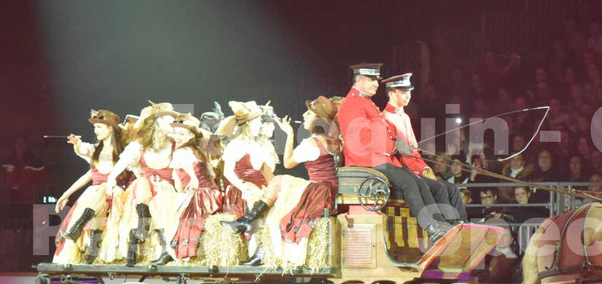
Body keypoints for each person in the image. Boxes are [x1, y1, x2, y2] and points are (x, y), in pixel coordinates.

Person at [337, 63, 455, 242]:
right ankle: (430, 227)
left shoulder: (364, 101)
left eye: (376, 80)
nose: (377, 84)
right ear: (358, 80)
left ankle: (439, 224)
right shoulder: (353, 103)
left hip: (380, 158)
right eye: (372, 80)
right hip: (366, 160)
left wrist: (395, 143)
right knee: (409, 184)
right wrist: (394, 146)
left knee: (419, 183)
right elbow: (364, 137)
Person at [223, 96, 339, 267]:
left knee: (279, 204)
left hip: (319, 191)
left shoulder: (311, 145)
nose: (304, 116)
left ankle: (249, 227)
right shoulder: (334, 141)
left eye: (309, 113)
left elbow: (288, 163)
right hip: (328, 188)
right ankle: (248, 223)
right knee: (279, 182)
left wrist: (289, 134)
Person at [380, 72, 468, 223]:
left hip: (417, 168)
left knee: (452, 189)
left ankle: (462, 224)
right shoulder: (386, 118)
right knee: (440, 188)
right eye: (403, 92)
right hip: (405, 171)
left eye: (409, 92)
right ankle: (448, 226)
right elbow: (400, 155)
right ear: (391, 93)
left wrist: (426, 168)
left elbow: (414, 151)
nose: (408, 96)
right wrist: (421, 170)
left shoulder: (405, 117)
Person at [105, 102, 180, 266]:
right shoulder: (140, 145)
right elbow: (122, 163)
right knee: (142, 184)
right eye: (168, 118)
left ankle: (165, 249)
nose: (172, 122)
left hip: (168, 190)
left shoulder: (177, 144)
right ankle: (141, 228)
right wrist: (111, 179)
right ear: (157, 121)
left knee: (159, 200)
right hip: (145, 191)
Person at [52, 110, 124, 264]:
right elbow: (89, 174)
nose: (95, 130)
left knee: (102, 190)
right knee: (96, 192)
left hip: (114, 193)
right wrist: (66, 194)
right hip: (96, 194)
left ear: (110, 128)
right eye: (95, 127)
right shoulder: (95, 150)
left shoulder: (121, 153)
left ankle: (92, 241)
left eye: (99, 127)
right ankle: (87, 239)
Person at [162, 114, 224, 263]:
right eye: (176, 133)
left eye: (182, 134)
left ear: (190, 135)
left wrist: (190, 183)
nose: (177, 137)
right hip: (213, 194)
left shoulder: (180, 152)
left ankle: (171, 251)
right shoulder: (197, 151)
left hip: (201, 195)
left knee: (175, 215)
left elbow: (182, 178)